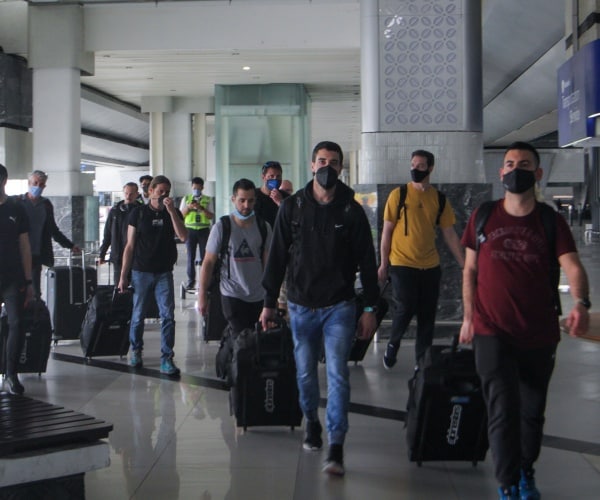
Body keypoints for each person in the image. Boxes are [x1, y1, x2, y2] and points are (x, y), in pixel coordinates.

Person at [459, 142, 590, 500]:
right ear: (501, 172)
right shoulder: (483, 216)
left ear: (538, 173)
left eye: (525, 164)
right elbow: (469, 271)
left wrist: (581, 302)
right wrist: (469, 317)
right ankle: (507, 485)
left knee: (531, 413)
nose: (516, 169)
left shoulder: (550, 221)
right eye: (510, 163)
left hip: (538, 333)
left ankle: (525, 469)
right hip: (490, 330)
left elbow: (573, 266)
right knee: (502, 408)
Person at [260, 141, 379, 476]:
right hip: (300, 305)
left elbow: (367, 263)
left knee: (339, 373)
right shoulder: (293, 207)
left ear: (341, 168)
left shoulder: (351, 210)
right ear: (312, 165)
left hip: (339, 305)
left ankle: (337, 443)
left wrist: (369, 307)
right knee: (305, 372)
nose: (328, 167)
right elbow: (278, 256)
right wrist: (269, 303)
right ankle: (311, 420)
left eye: (334, 162)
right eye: (322, 161)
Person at [377, 150, 464, 370]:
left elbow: (450, 234)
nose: (415, 169)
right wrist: (383, 263)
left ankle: (422, 361)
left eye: (421, 165)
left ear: (430, 168)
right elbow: (386, 231)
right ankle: (393, 343)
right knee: (405, 306)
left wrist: (465, 264)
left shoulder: (439, 199)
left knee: (427, 315)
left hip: (430, 266)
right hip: (402, 262)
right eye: (413, 164)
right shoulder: (400, 195)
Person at [118, 175, 188, 376]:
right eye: (160, 191)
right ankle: (136, 350)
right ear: (150, 192)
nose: (163, 195)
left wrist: (172, 211)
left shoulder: (171, 213)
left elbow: (183, 236)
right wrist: (124, 275)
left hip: (164, 272)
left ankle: (167, 356)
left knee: (167, 315)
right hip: (141, 271)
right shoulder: (138, 214)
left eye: (167, 192)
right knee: (138, 314)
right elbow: (129, 246)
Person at [198, 178, 271, 334]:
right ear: (233, 199)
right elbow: (208, 262)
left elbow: (267, 263)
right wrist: (202, 295)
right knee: (241, 338)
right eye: (242, 200)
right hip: (232, 293)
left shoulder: (264, 227)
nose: (246, 205)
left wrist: (272, 297)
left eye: (250, 201)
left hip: (258, 295)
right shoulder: (222, 227)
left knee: (256, 341)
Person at [17, 170, 80, 299]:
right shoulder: (18, 203)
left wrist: (70, 245)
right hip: (17, 256)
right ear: (29, 183)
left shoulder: (46, 205)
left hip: (36, 255)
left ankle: (34, 316)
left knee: (35, 293)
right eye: (35, 183)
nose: (38, 187)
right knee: (16, 291)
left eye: (41, 184)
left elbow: (53, 230)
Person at [0, 164, 34, 395]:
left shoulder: (16, 208)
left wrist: (29, 281)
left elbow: (24, 246)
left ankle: (11, 373)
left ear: (4, 181)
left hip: (13, 276)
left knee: (17, 323)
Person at [98, 182, 141, 284]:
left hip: (137, 256)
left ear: (137, 194)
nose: (128, 196)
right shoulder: (115, 211)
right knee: (119, 286)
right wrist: (102, 253)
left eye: (131, 194)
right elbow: (107, 234)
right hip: (118, 255)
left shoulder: (141, 211)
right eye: (126, 193)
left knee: (137, 287)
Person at [179, 177, 214, 290]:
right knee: (190, 257)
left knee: (205, 257)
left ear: (202, 188)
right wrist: (188, 207)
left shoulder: (208, 199)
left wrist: (201, 208)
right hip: (190, 230)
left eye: (198, 188)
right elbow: (181, 215)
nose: (196, 190)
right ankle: (191, 281)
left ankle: (205, 280)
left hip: (204, 230)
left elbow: (211, 216)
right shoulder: (186, 199)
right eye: (194, 188)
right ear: (192, 187)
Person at [254, 161, 289, 226]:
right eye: (271, 176)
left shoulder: (286, 197)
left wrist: (280, 202)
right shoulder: (253, 196)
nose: (275, 179)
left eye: (278, 176)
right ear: (263, 177)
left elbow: (291, 218)